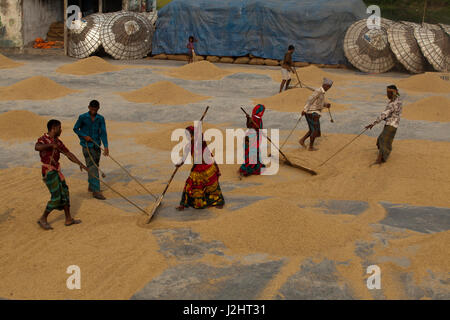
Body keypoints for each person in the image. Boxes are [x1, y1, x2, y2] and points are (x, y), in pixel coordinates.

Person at [35, 119, 88, 230]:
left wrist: (81, 164)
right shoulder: (43, 139)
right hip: (48, 172)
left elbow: (68, 153)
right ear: (54, 128)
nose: (61, 130)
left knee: (65, 192)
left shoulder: (58, 142)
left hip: (56, 171)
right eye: (59, 127)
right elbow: (37, 147)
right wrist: (50, 146)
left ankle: (68, 219)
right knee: (57, 196)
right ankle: (43, 219)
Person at [176, 126, 225, 210]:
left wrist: (197, 133)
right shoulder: (189, 145)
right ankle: (183, 204)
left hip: (207, 166)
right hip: (197, 168)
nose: (187, 137)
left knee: (212, 185)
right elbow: (184, 157)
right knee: (189, 184)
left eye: (188, 135)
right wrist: (179, 164)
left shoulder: (200, 143)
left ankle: (218, 202)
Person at [73, 100, 109, 200]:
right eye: (92, 109)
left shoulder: (100, 119)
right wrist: (84, 136)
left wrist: (106, 146)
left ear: (98, 108)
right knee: (93, 166)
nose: (93, 111)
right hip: (87, 146)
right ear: (89, 107)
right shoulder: (82, 117)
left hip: (97, 145)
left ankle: (91, 186)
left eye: (95, 109)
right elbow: (75, 129)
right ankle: (96, 191)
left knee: (95, 165)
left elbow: (103, 133)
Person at [365, 85, 403, 165]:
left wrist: (373, 124)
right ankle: (381, 157)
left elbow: (384, 115)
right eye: (387, 92)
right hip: (392, 124)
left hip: (391, 125)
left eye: (388, 93)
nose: (387, 95)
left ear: (393, 93)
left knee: (383, 141)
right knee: (381, 139)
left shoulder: (393, 103)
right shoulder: (398, 100)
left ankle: (379, 160)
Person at [299, 78, 333, 151]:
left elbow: (318, 103)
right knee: (315, 131)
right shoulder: (318, 91)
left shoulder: (322, 92)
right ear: (325, 85)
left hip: (314, 112)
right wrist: (305, 110)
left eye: (330, 87)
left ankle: (302, 140)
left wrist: (326, 104)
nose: (329, 88)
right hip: (312, 113)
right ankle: (311, 147)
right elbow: (310, 100)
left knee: (312, 130)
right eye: (328, 86)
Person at [239, 104, 266, 178]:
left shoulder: (259, 120)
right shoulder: (253, 118)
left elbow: (259, 129)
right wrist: (248, 119)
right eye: (262, 111)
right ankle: (249, 168)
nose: (262, 113)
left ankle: (252, 166)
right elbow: (248, 126)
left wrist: (260, 131)